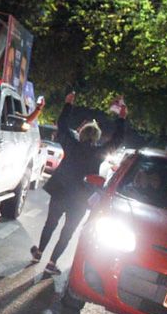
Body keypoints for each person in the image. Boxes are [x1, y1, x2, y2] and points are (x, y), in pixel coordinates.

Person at [31, 91, 128, 274]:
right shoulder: (98, 153)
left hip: (61, 190)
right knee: (68, 231)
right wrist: (121, 119)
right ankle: (52, 262)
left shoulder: (71, 145)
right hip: (81, 197)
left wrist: (68, 104)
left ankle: (39, 252)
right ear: (97, 137)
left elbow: (62, 125)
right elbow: (117, 140)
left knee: (51, 223)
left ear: (81, 134)